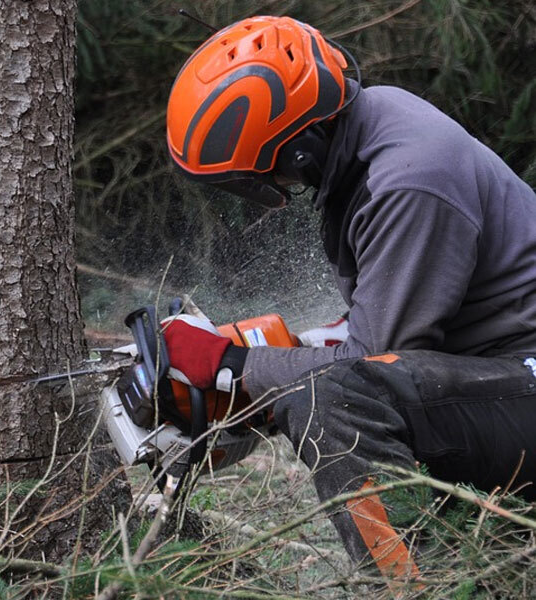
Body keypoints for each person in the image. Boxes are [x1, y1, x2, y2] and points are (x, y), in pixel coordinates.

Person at [160, 14, 536, 583]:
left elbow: (372, 362)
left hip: (522, 376)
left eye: (261, 174)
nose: (269, 187)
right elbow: (386, 321)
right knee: (329, 383)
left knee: (333, 401)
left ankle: (418, 591)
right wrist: (268, 354)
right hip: (501, 372)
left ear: (299, 150)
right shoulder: (370, 126)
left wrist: (232, 366)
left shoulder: (409, 180)